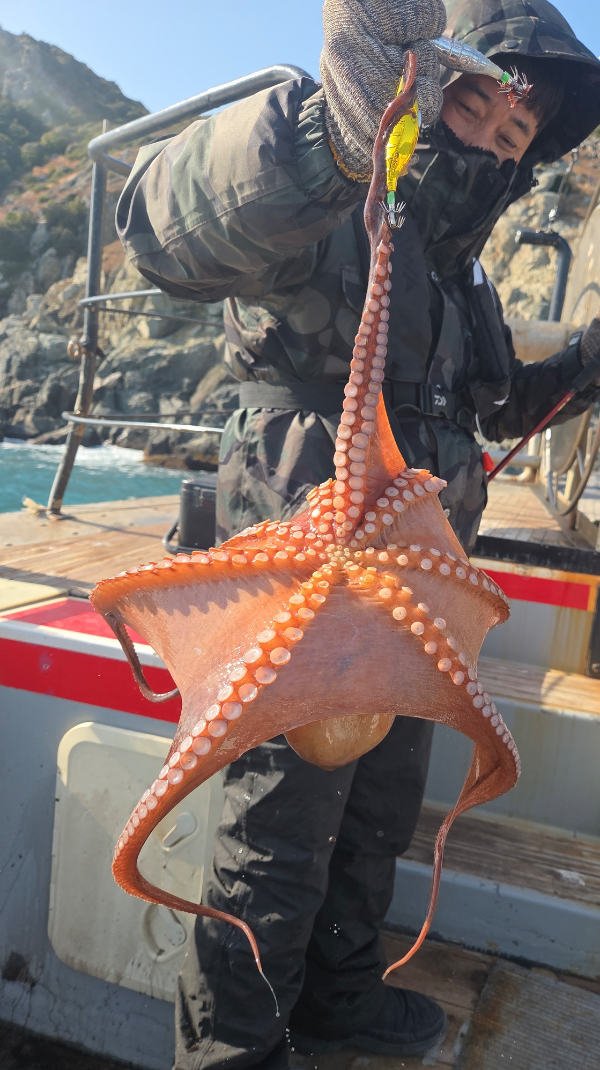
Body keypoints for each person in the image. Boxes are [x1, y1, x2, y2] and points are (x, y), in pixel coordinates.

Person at [115, 1, 600, 1066]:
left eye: (521, 131)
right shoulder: (340, 203)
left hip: (416, 586)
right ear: (428, 86)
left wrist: (584, 362)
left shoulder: (467, 278)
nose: (498, 138)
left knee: (383, 804)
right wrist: (329, 144)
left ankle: (339, 999)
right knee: (278, 827)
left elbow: (497, 404)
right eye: (479, 105)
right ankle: (235, 1050)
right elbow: (160, 228)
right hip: (306, 574)